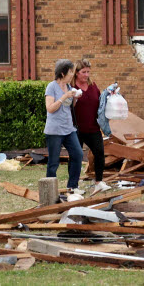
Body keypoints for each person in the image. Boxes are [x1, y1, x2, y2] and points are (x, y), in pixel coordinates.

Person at [45, 59, 84, 198]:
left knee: (78, 154)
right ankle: (49, 190)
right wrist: (64, 97)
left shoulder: (68, 86)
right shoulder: (51, 87)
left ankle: (73, 186)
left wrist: (74, 98)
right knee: (53, 162)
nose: (72, 74)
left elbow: (68, 106)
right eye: (70, 71)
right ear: (62, 73)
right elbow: (50, 108)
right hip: (54, 130)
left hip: (68, 128)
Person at [73, 59, 110, 194]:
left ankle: (99, 182)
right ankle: (74, 185)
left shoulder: (93, 86)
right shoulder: (71, 88)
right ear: (76, 73)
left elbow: (100, 104)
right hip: (76, 128)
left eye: (88, 72)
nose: (86, 75)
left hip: (93, 127)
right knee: (76, 156)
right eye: (84, 72)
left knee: (99, 153)